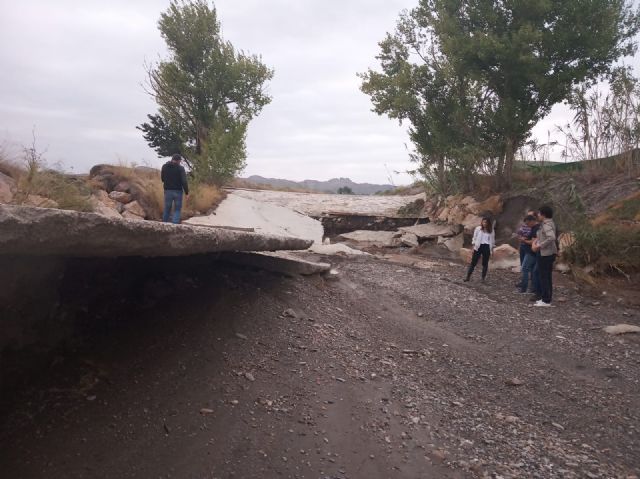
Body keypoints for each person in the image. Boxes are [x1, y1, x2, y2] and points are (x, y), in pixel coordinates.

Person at [531, 205, 557, 306]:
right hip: (548, 253)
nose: (538, 215)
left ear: (543, 214)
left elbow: (551, 237)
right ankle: (546, 298)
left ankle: (546, 300)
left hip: (545, 254)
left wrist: (539, 246)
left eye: (539, 213)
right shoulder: (549, 223)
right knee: (547, 276)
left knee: (544, 276)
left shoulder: (547, 224)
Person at [464, 217, 495, 282]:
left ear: (488, 223)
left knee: (485, 263)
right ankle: (468, 277)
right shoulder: (478, 229)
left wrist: (492, 250)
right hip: (478, 246)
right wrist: (473, 247)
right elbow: (474, 238)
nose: (484, 223)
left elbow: (492, 241)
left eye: (486, 222)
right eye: (483, 222)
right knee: (473, 262)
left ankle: (483, 278)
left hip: (486, 247)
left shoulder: (491, 230)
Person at [161, 153, 189, 224]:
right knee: (177, 210)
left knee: (167, 209)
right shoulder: (181, 168)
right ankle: (174, 227)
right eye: (180, 161)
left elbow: (162, 179)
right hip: (178, 191)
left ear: (172, 159)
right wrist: (187, 192)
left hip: (168, 191)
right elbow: (184, 181)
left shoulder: (164, 166)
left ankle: (163, 226)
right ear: (179, 160)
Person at [515, 215, 539, 293]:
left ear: (532, 221)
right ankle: (534, 288)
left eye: (528, 223)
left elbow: (533, 241)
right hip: (531, 252)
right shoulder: (533, 228)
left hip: (531, 252)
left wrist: (524, 241)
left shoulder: (536, 228)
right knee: (532, 270)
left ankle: (524, 288)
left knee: (525, 268)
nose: (527, 225)